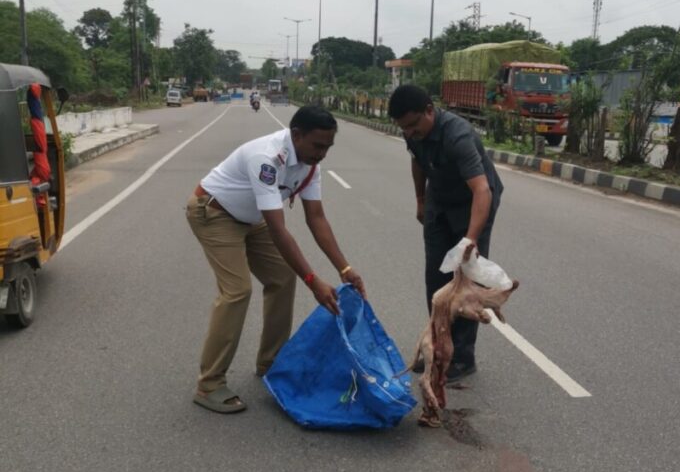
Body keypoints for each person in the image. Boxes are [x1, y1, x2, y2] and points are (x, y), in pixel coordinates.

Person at [186, 104, 366, 413]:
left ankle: (271, 363)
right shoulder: (266, 158)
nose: (322, 153)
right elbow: (279, 229)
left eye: (327, 147)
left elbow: (317, 218)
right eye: (317, 145)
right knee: (237, 291)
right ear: (296, 135)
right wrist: (313, 281)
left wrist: (345, 268)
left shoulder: (310, 164)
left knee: (283, 278)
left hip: (251, 218)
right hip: (214, 212)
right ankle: (209, 384)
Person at [388, 84, 503, 383]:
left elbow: (482, 189)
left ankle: (462, 358)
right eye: (404, 128)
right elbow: (417, 160)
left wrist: (471, 239)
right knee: (437, 279)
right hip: (439, 200)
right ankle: (438, 346)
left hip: (473, 203)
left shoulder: (457, 135)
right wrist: (420, 200)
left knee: (465, 279)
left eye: (414, 125)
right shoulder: (412, 133)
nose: (410, 132)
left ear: (430, 110)